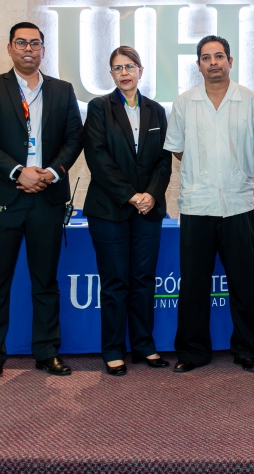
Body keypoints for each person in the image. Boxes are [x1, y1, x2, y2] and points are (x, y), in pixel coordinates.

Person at [0, 22, 83, 386]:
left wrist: (50, 172)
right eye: (21, 43)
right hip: (3, 196)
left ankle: (47, 352)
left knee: (45, 282)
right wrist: (19, 172)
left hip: (47, 198)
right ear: (10, 48)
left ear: (43, 50)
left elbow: (74, 139)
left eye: (35, 43)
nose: (28, 49)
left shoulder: (62, 91)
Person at [164, 35, 254, 373]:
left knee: (243, 284)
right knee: (193, 284)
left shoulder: (251, 101)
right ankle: (192, 352)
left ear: (231, 61)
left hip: (238, 204)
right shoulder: (184, 103)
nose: (213, 63)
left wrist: (237, 169)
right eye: (206, 58)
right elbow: (177, 148)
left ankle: (248, 350)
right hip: (197, 206)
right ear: (198, 65)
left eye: (219, 56)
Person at [82, 46, 172, 376]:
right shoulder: (98, 108)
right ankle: (113, 349)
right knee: (115, 282)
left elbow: (164, 159)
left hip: (148, 209)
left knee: (143, 280)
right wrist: (131, 195)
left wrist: (150, 194)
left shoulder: (156, 110)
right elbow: (98, 158)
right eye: (118, 68)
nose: (124, 72)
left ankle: (144, 346)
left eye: (130, 66)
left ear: (141, 70)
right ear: (111, 74)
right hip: (109, 210)